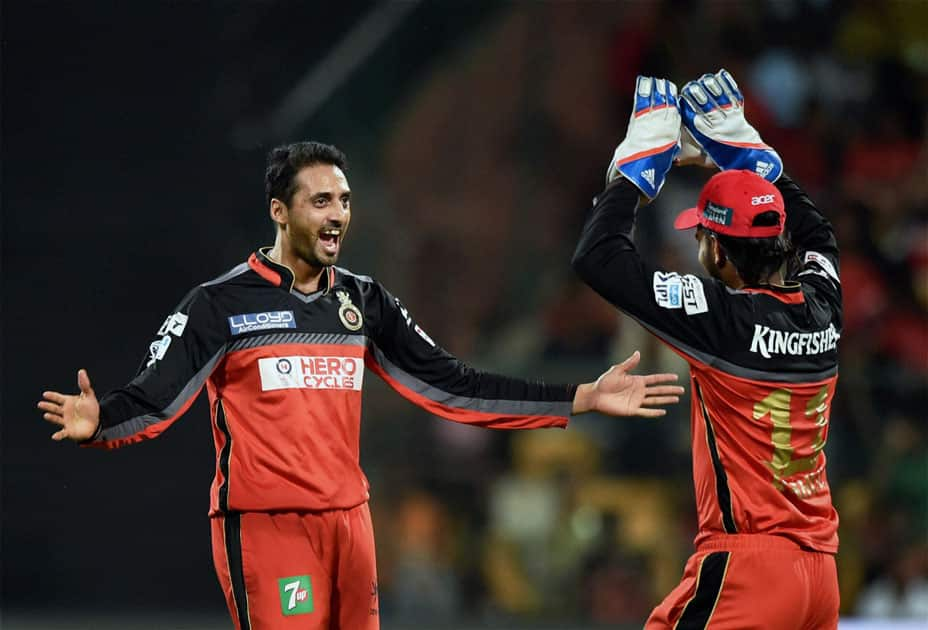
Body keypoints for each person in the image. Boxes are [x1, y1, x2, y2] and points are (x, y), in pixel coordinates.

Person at [38, 141, 684, 630]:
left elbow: (451, 384)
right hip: (268, 527)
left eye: (344, 201)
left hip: (350, 524)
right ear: (278, 211)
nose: (338, 216)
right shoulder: (220, 306)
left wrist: (579, 397)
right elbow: (156, 396)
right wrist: (103, 423)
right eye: (321, 201)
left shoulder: (364, 302)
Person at [572, 71, 842, 628]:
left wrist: (639, 164)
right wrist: (751, 156)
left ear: (718, 251)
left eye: (700, 235)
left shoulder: (721, 318)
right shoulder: (824, 304)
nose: (697, 244)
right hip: (821, 574)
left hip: (750, 571)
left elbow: (597, 257)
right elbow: (818, 239)